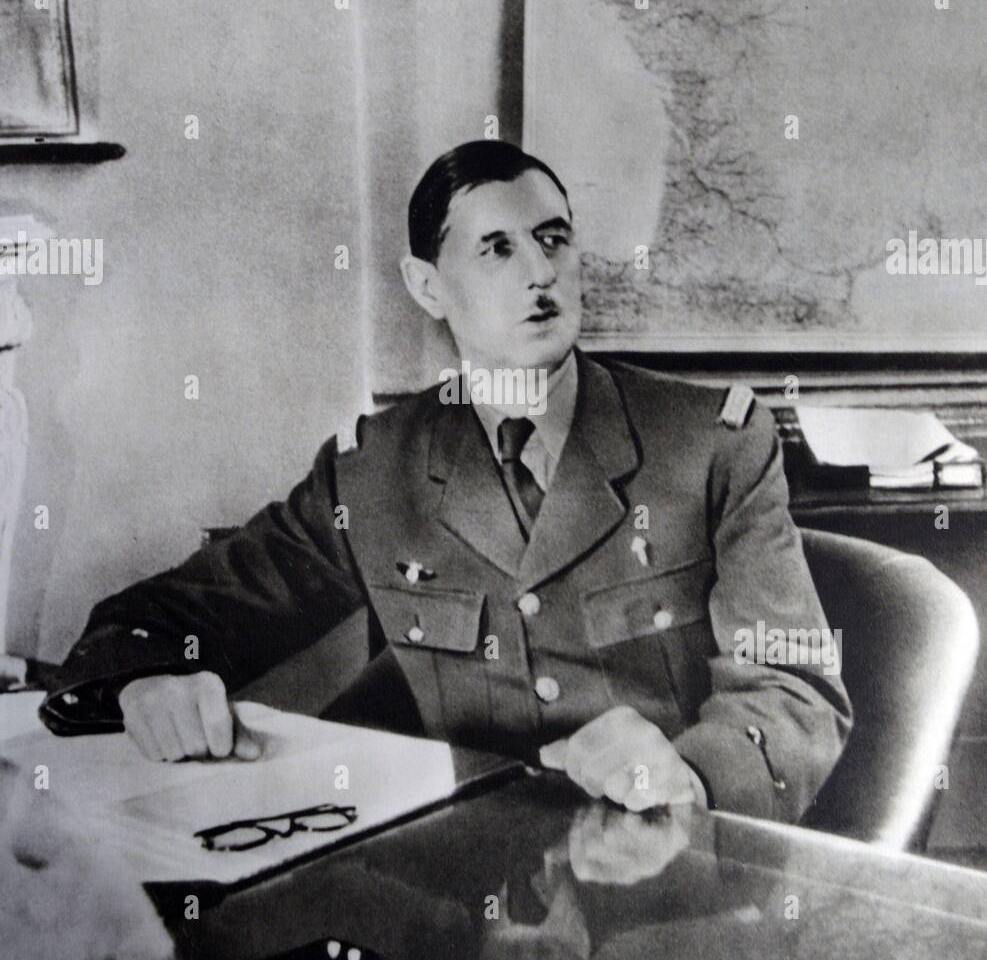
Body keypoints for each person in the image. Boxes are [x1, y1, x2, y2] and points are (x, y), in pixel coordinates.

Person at [40, 140, 851, 821]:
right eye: (496, 248)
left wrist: (693, 773)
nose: (539, 271)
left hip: (665, 884)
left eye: (554, 238)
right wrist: (148, 676)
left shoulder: (711, 442)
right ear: (427, 285)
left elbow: (793, 685)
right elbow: (176, 615)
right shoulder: (372, 470)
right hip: (463, 887)